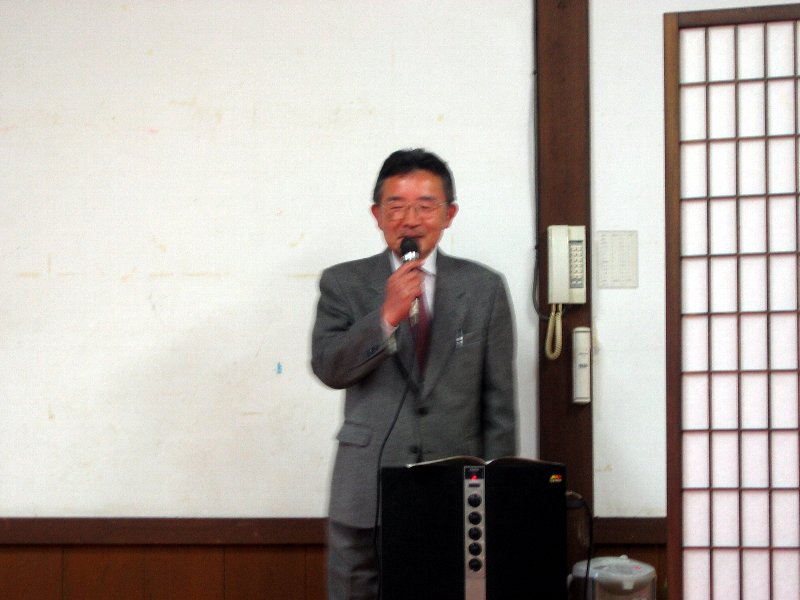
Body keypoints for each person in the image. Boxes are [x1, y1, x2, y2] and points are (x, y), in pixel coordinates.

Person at [311, 148, 517, 600]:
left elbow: (499, 404)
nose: (410, 219)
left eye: (425, 206)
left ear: (448, 215)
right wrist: (385, 316)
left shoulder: (483, 288)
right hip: (365, 489)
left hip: (455, 489)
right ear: (377, 215)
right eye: (396, 206)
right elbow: (329, 368)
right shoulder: (343, 283)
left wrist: (499, 495)